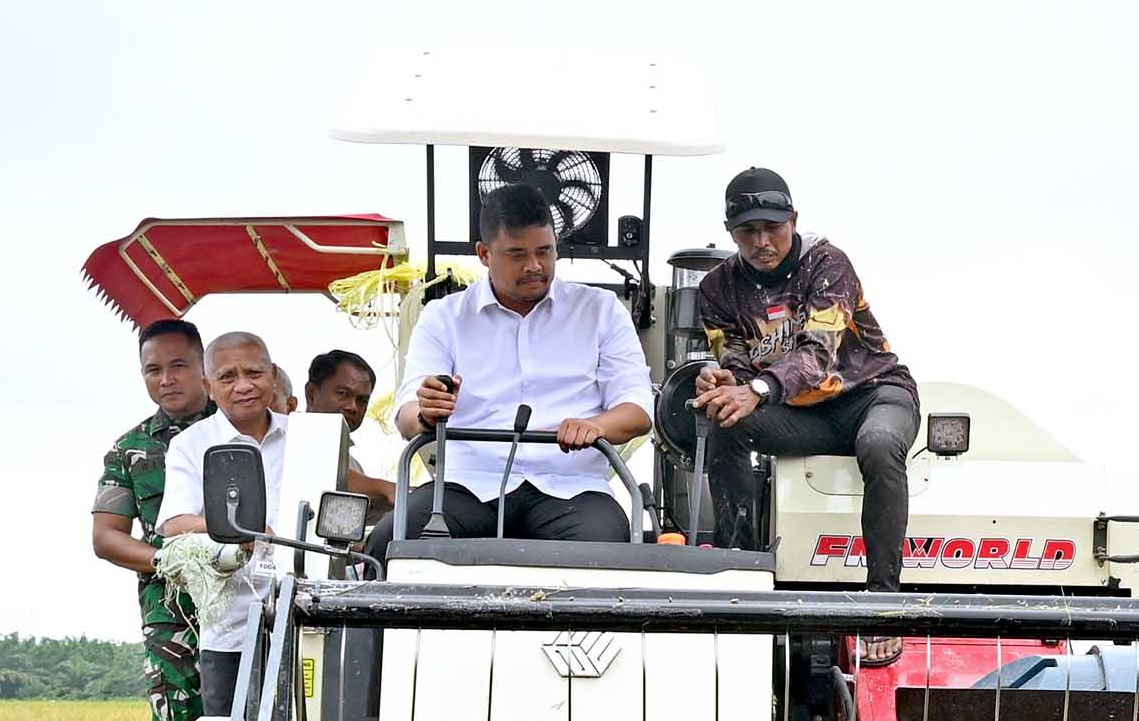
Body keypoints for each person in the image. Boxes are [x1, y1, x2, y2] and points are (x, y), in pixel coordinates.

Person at [691, 166, 918, 585]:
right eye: (748, 231)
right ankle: (733, 572)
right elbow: (738, 367)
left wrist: (756, 388)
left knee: (880, 444)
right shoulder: (716, 290)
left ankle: (885, 601)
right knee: (726, 418)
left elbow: (817, 356)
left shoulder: (827, 263)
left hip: (872, 395)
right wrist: (726, 383)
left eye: (772, 228)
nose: (761, 242)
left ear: (794, 219)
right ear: (729, 231)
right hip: (803, 416)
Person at [390, 184, 654, 542]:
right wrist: (427, 412)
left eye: (545, 252)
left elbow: (638, 410)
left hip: (573, 489)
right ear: (484, 254)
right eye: (517, 254)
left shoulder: (602, 310)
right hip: (467, 487)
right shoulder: (444, 316)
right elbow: (407, 417)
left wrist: (595, 425)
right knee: (390, 539)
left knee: (603, 547)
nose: (534, 266)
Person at [156, 331, 297, 719]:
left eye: (254, 372)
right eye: (228, 377)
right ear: (209, 387)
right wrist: (241, 532)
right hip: (233, 627)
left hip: (309, 615)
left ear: (272, 375)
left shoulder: (309, 436)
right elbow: (174, 524)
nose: (244, 385)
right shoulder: (191, 444)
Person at [91, 317, 209, 721]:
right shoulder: (129, 449)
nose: (166, 379)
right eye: (153, 370)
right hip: (172, 614)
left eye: (178, 366)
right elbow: (106, 537)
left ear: (203, 366)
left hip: (250, 600)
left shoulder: (240, 428)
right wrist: (167, 560)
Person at [304, 348, 396, 507]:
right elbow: (321, 469)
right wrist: (385, 488)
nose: (353, 407)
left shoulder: (354, 466)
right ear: (311, 394)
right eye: (342, 393)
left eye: (362, 400)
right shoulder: (284, 440)